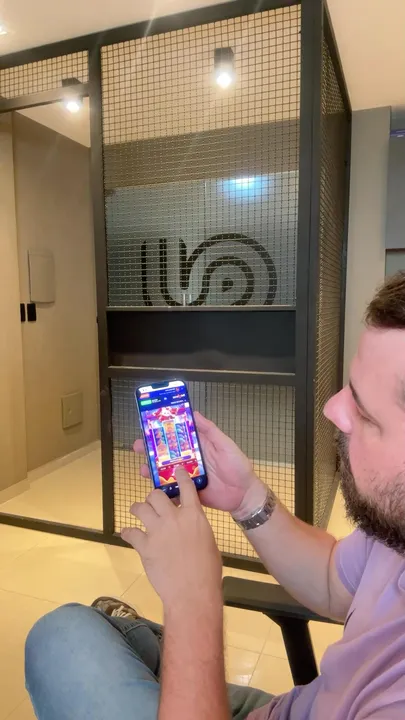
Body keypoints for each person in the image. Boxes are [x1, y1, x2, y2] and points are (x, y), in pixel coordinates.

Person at [25, 272, 405, 719]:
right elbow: (330, 579)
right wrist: (247, 498)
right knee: (78, 633)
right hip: (293, 708)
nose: (332, 408)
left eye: (365, 413)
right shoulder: (393, 534)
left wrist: (194, 603)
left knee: (61, 638)